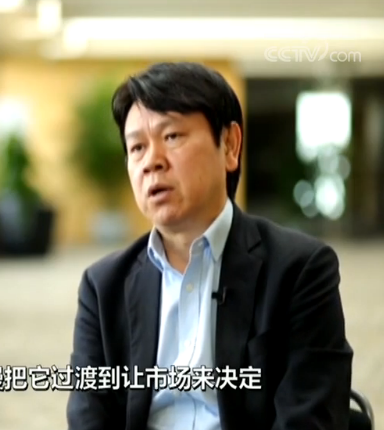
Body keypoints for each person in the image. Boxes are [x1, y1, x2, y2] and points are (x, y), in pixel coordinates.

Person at [66, 61, 353, 430]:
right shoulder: (103, 286)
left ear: (230, 145)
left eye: (172, 136)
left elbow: (309, 417)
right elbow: (89, 418)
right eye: (137, 147)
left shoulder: (300, 270)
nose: (151, 162)